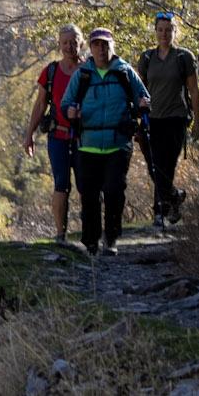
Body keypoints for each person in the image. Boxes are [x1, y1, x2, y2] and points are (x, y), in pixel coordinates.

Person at [61, 27, 150, 257]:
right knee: (89, 194)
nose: (101, 49)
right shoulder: (82, 75)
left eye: (105, 44)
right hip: (87, 143)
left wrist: (143, 105)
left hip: (118, 143)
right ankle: (91, 242)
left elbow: (144, 96)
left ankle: (110, 239)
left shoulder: (124, 72)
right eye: (97, 45)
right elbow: (65, 103)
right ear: (90, 48)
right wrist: (70, 111)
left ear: (112, 46)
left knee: (114, 191)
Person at [137, 11, 199, 229]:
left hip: (176, 118)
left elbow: (193, 89)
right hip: (151, 120)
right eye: (160, 30)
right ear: (155, 32)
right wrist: (136, 119)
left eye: (168, 30)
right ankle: (174, 196)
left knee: (166, 165)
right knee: (154, 167)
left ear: (175, 32)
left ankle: (159, 214)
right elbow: (139, 90)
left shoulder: (184, 57)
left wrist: (198, 122)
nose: (164, 34)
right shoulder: (146, 58)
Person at [21, 24, 84, 245]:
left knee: (87, 185)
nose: (69, 46)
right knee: (61, 184)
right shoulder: (50, 72)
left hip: (86, 139)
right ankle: (61, 235)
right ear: (59, 45)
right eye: (65, 42)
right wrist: (29, 135)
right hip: (58, 137)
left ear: (81, 43)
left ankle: (90, 234)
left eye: (74, 41)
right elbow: (40, 105)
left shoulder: (91, 70)